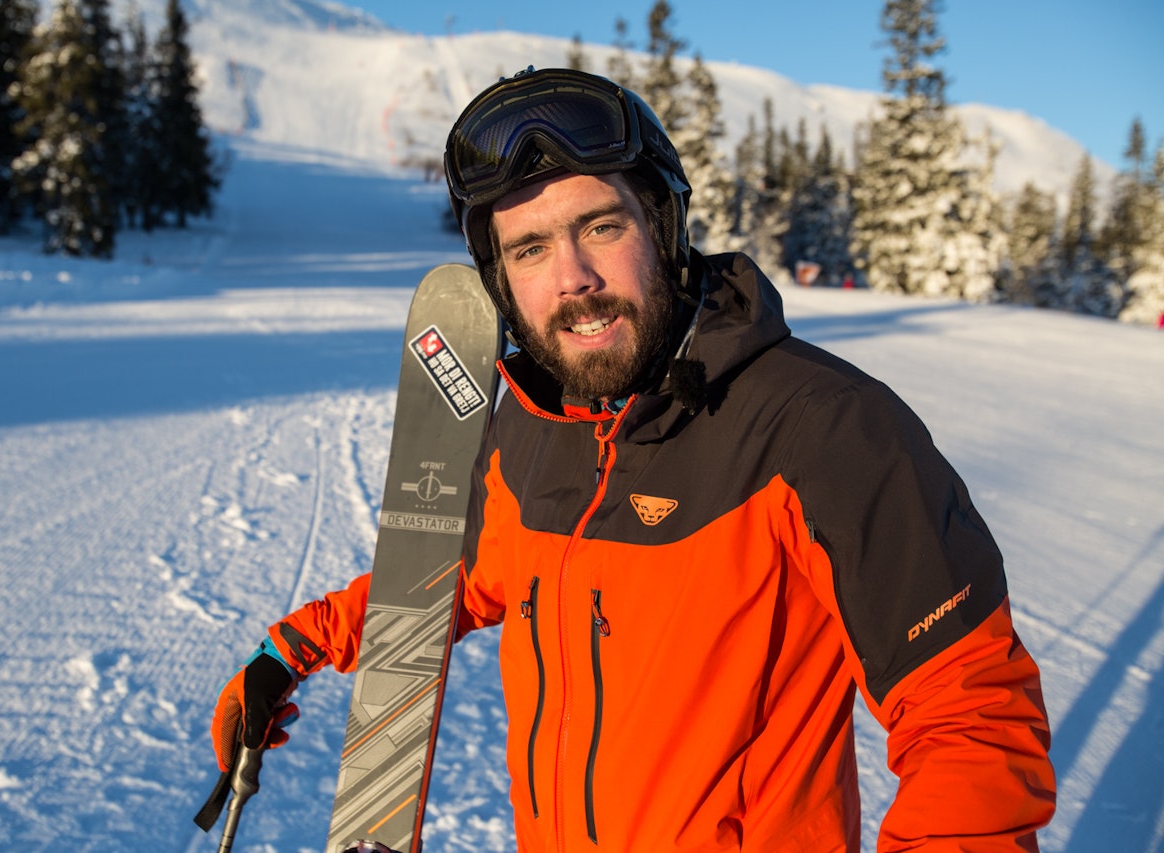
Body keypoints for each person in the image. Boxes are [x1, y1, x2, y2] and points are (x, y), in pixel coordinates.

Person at [210, 67, 1056, 852]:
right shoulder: (536, 422)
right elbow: (463, 575)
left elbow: (971, 720)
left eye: (601, 227)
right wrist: (298, 645)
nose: (572, 278)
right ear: (501, 282)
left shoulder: (822, 427)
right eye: (529, 249)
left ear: (662, 227)